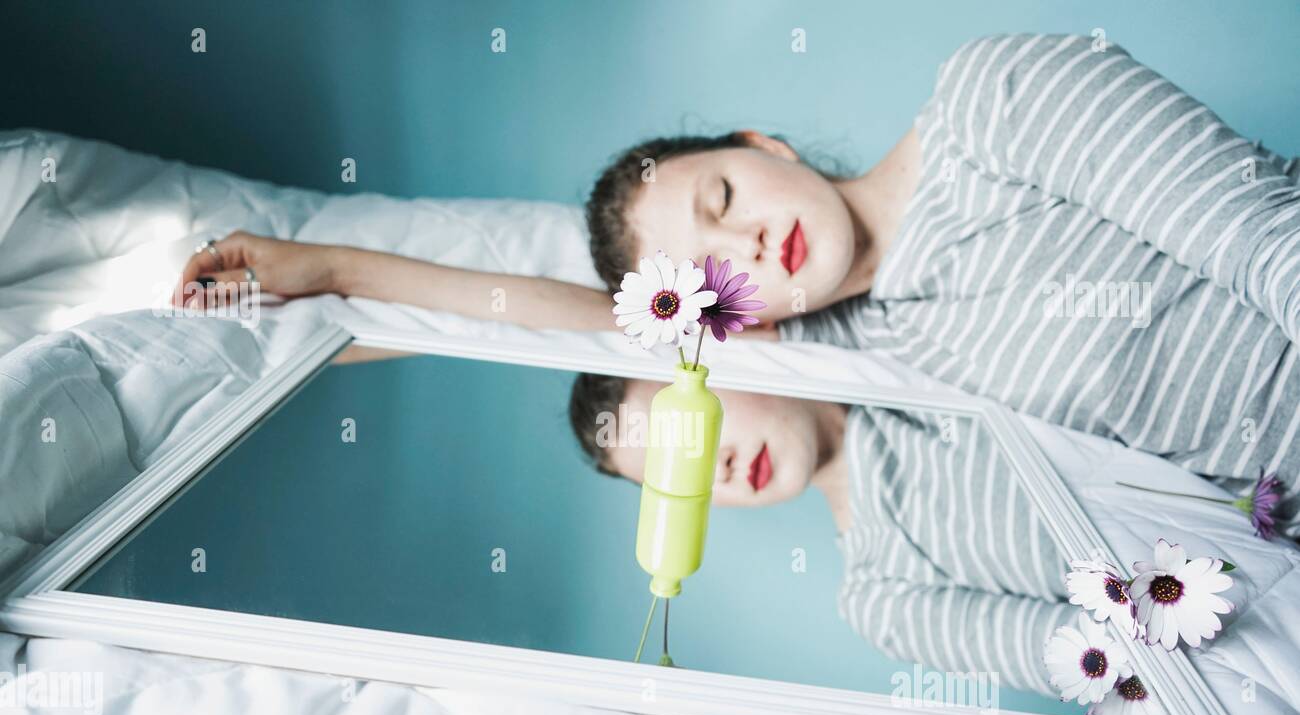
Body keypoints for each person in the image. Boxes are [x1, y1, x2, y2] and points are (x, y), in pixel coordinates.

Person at [174, 33, 1300, 531]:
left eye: (723, 202)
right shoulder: (863, 355)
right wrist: (326, 276)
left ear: (765, 145)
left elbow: (1268, 241)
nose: (747, 250)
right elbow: (554, 322)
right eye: (706, 280)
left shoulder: (993, 101)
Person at [569, 373, 1076, 697]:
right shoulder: (884, 598)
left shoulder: (895, 346)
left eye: (691, 434)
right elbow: (1101, 664)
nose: (715, 469)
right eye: (675, 479)